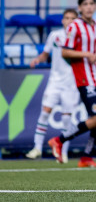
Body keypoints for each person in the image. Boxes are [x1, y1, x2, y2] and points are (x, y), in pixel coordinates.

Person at [48, 0, 96, 168]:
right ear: (80, 8)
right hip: (84, 77)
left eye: (91, 3)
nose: (88, 7)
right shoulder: (74, 26)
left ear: (95, 6)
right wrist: (85, 54)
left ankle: (86, 157)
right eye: (85, 4)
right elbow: (65, 51)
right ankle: (59, 140)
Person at [25, 8, 81, 162]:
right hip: (55, 81)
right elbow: (45, 54)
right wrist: (38, 59)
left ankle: (63, 153)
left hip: (72, 83)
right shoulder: (55, 36)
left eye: (72, 18)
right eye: (66, 18)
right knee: (45, 112)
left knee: (66, 119)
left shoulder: (80, 38)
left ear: (77, 22)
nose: (69, 21)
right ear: (62, 20)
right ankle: (37, 148)